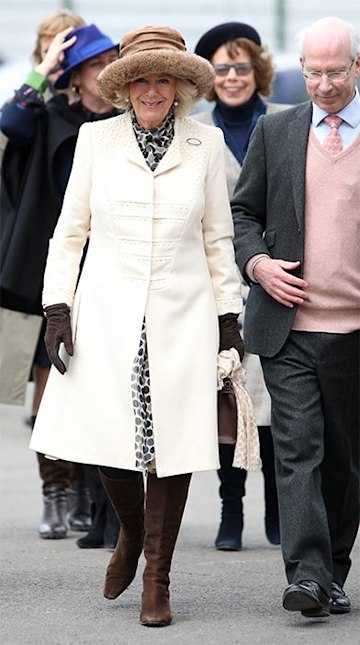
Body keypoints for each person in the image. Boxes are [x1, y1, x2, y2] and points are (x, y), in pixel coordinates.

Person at [30, 24, 244, 627]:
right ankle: (130, 532)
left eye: (164, 79)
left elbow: (218, 239)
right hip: (106, 312)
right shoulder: (96, 141)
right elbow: (69, 232)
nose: (153, 89)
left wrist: (229, 317)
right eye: (141, 78)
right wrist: (57, 308)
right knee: (111, 438)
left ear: (178, 87)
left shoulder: (205, 146)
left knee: (173, 446)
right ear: (125, 87)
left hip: (184, 316)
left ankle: (157, 575)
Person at [231, 16, 359, 618]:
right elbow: (243, 213)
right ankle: (307, 576)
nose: (326, 84)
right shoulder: (274, 131)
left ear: (357, 67)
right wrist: (257, 264)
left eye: (336, 71)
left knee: (344, 458)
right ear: (300, 70)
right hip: (289, 326)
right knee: (298, 449)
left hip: (355, 332)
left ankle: (333, 568)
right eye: (315, 73)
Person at [0, 22, 120, 543]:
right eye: (95, 65)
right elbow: (9, 122)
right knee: (51, 378)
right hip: (49, 265)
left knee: (99, 381)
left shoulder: (124, 122)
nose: (105, 72)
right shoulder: (50, 117)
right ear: (75, 75)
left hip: (110, 263)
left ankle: (92, 497)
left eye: (109, 62)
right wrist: (43, 70)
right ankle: (57, 491)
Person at [194, 21, 284, 550]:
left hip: (274, 275)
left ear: (257, 72)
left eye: (241, 66)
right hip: (215, 282)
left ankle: (277, 509)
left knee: (273, 400)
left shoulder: (283, 123)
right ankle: (232, 511)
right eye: (222, 68)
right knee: (226, 397)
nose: (232, 76)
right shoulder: (197, 129)